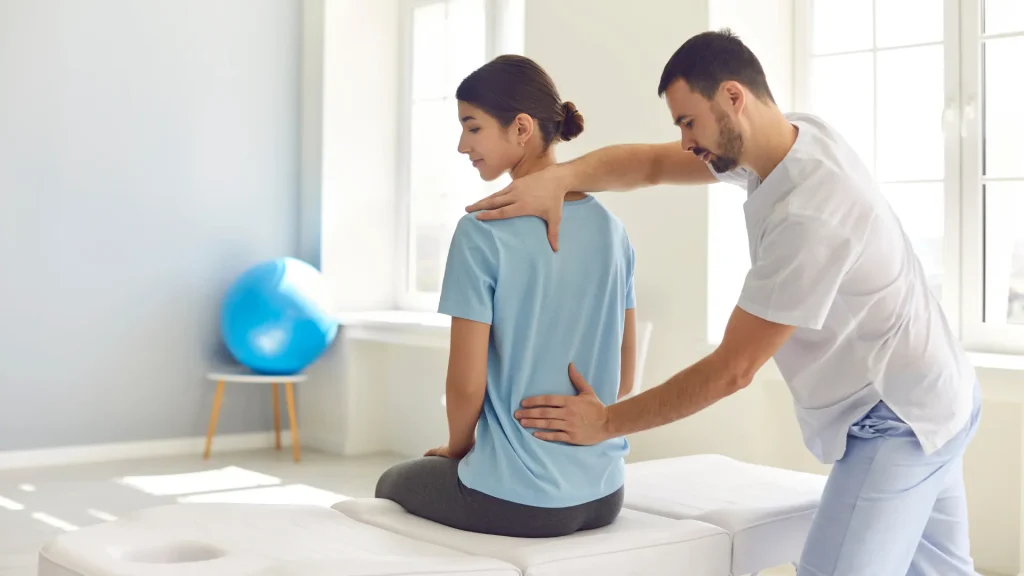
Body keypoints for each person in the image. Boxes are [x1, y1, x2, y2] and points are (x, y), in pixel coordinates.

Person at [466, 30, 982, 575]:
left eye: (689, 121)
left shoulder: (811, 213)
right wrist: (560, 178)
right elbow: (650, 165)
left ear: (733, 98)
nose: (686, 141)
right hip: (940, 387)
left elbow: (732, 370)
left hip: (898, 416)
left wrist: (605, 423)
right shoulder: (792, 139)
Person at [374, 54, 638, 539]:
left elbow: (466, 383)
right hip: (605, 493)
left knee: (391, 482)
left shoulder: (482, 231)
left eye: (472, 128)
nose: (461, 145)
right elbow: (625, 377)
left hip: (518, 500)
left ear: (521, 128)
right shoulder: (613, 230)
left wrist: (456, 448)